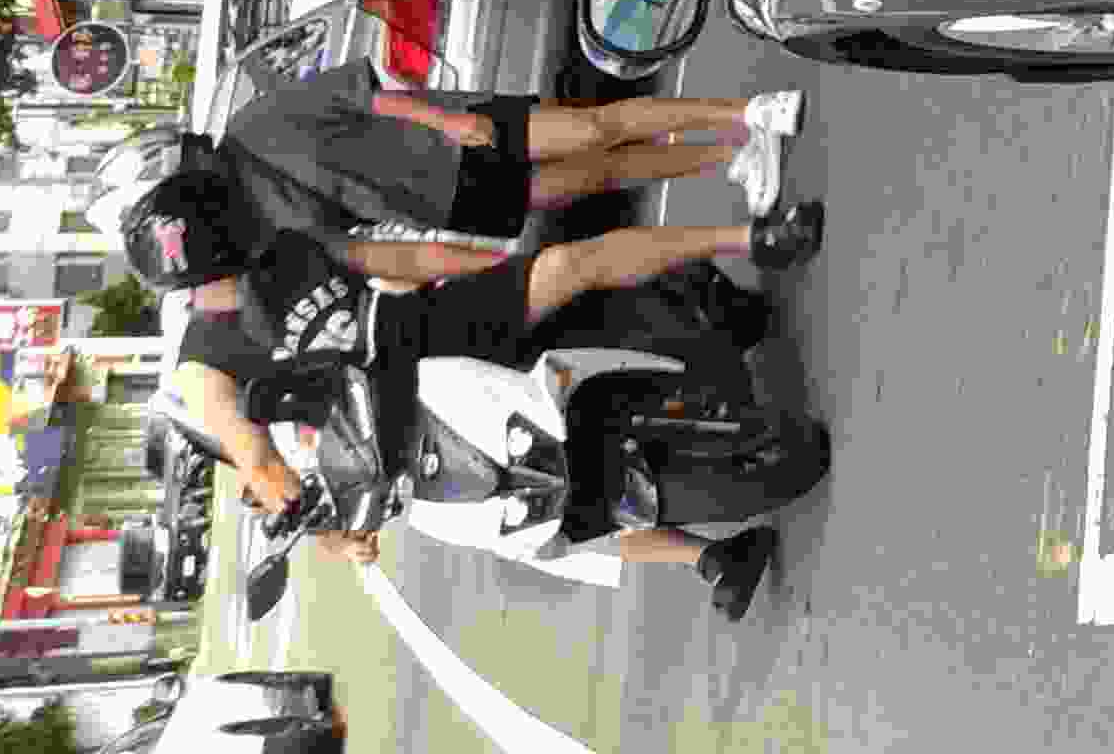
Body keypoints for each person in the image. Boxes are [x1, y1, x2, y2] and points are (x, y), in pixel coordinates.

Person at [134, 158, 824, 619]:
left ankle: (754, 237)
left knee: (568, 266)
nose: (207, 291)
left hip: (416, 331)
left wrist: (497, 267)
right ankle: (706, 557)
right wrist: (332, 533)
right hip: (392, 437)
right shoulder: (201, 365)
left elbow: (397, 259)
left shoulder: (282, 250)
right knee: (533, 532)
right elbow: (255, 462)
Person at [208, 73, 806, 254]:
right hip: (444, 202)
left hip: (453, 139)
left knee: (595, 128)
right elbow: (346, 227)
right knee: (604, 174)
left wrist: (448, 121)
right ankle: (733, 154)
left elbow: (359, 97)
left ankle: (750, 109)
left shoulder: (255, 124)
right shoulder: (250, 222)